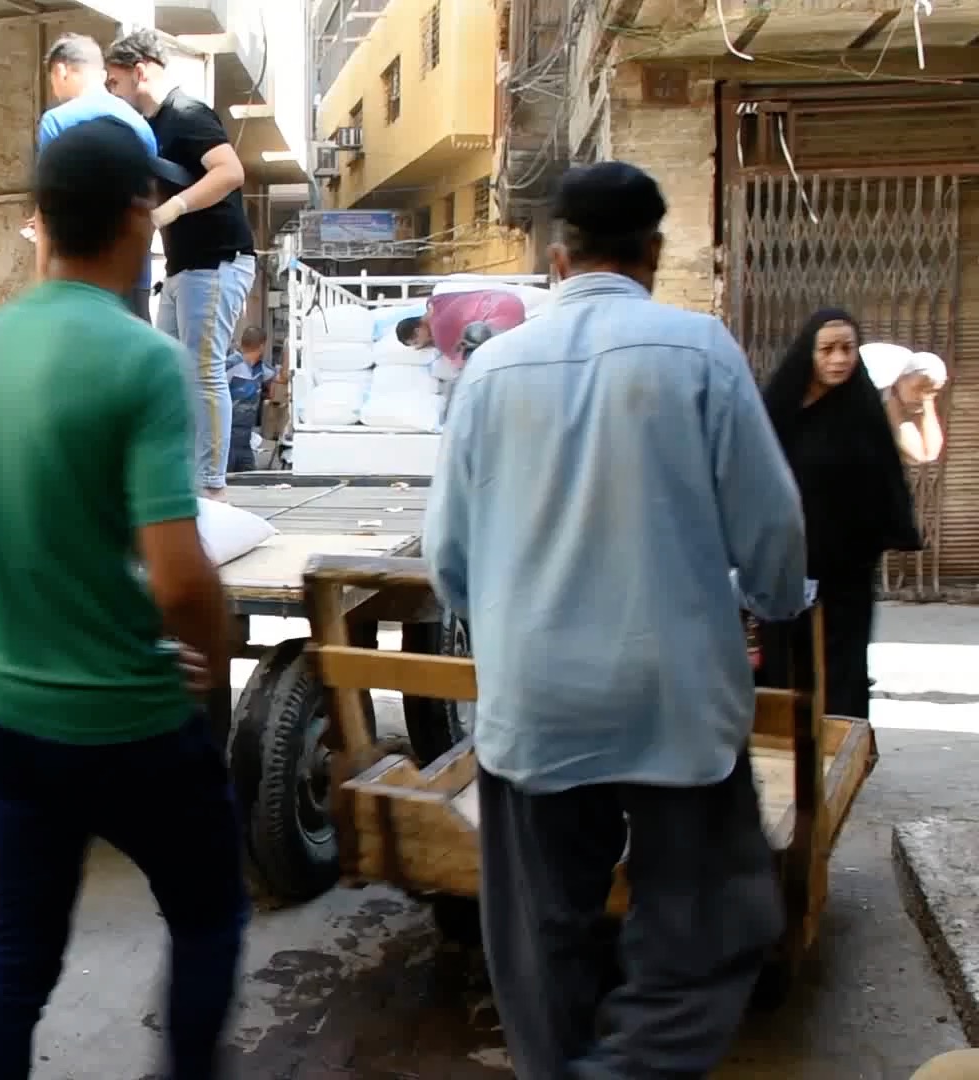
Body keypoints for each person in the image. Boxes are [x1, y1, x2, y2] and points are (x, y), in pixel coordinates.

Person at [423, 161, 810, 1079]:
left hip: (538, 703)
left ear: (559, 258)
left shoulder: (490, 369)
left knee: (542, 942)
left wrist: (513, 627)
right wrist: (778, 601)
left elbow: (448, 557)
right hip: (673, 696)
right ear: (655, 253)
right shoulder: (699, 349)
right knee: (713, 924)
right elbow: (774, 529)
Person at [0, 116, 248, 1080]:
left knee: (17, 961)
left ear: (40, 221)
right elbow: (184, 575)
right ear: (139, 216)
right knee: (207, 914)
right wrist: (206, 657)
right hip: (129, 722)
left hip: (10, 718)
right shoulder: (142, 358)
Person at [105, 28, 255, 501]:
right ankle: (184, 479)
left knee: (204, 370)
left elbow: (231, 171)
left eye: (114, 81)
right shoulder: (154, 126)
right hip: (184, 267)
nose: (113, 91)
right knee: (173, 373)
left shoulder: (187, 114)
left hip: (215, 261)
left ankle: (213, 488)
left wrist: (176, 207)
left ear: (140, 71)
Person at [757, 308, 924, 720]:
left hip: (848, 568)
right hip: (786, 564)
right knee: (786, 659)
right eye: (828, 349)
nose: (839, 359)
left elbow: (886, 474)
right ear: (808, 354)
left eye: (848, 348)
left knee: (844, 661)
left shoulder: (863, 409)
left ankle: (842, 751)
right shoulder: (777, 410)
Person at [32, 33, 169, 321]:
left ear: (61, 70)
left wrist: (43, 278)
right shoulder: (139, 125)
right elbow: (148, 202)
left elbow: (48, 208)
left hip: (74, 282)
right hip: (132, 275)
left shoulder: (58, 120)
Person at [394, 288, 528, 373]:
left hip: (500, 315)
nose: (421, 345)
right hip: (510, 300)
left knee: (475, 360)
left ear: (417, 331)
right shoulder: (437, 301)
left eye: (416, 342)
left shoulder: (439, 331)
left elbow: (460, 365)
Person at [226, 326, 275, 473]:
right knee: (225, 482)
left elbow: (282, 377)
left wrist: (288, 346)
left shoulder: (261, 368)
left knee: (248, 481)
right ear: (261, 346)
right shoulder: (230, 365)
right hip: (227, 440)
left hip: (245, 440)